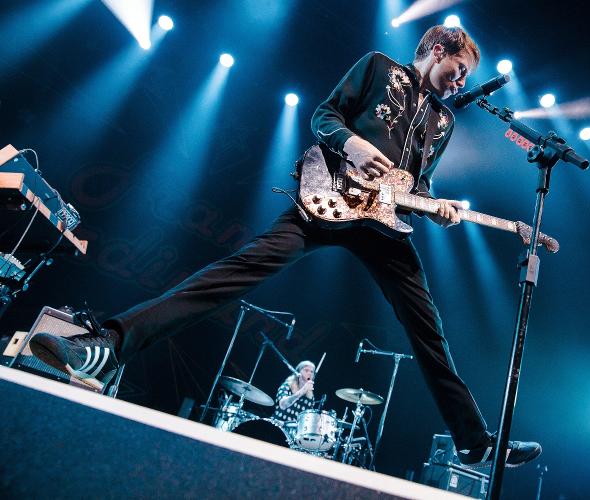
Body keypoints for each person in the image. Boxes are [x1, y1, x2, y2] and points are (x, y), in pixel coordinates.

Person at [30, 25, 541, 469]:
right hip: (327, 201)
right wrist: (355, 145)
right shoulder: (379, 68)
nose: (461, 82)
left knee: (428, 328)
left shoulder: (445, 121)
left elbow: (417, 185)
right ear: (434, 49)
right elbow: (324, 116)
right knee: (232, 274)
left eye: (466, 75)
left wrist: (437, 207)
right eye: (458, 68)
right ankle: (106, 345)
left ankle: (474, 442)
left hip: (382, 226)